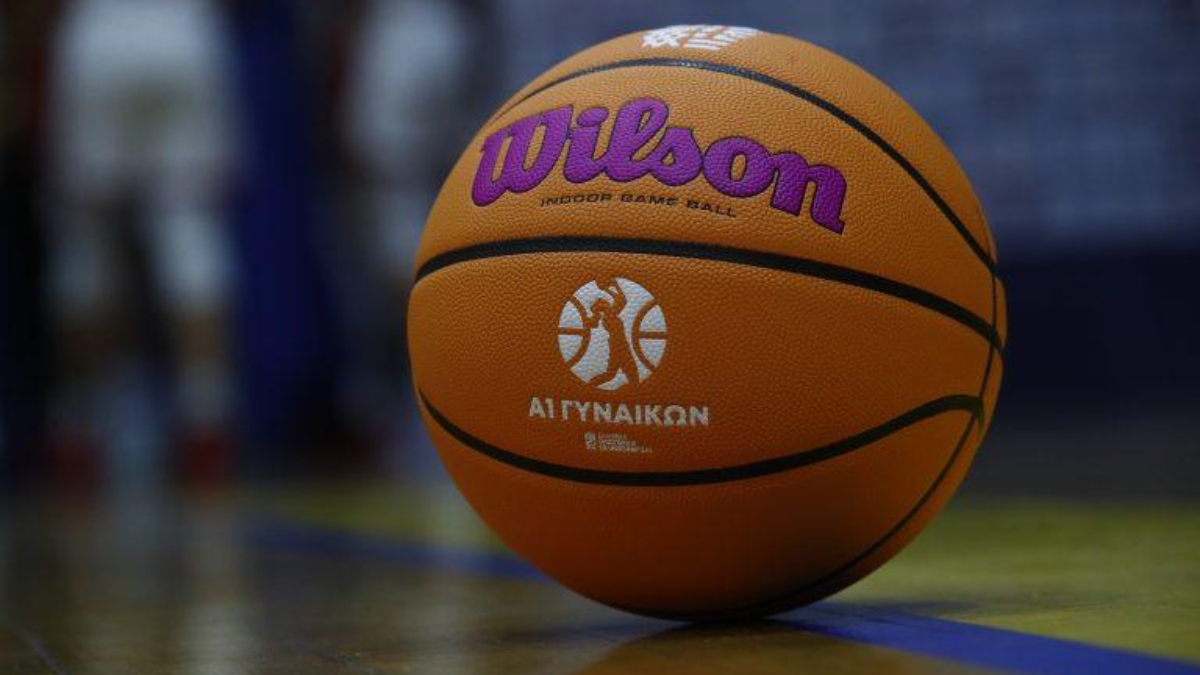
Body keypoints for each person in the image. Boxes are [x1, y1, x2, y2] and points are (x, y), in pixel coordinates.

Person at [46, 0, 238, 487]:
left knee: (85, 240)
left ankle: (83, 427)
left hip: (99, 34)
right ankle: (206, 423)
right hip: (182, 32)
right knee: (189, 234)